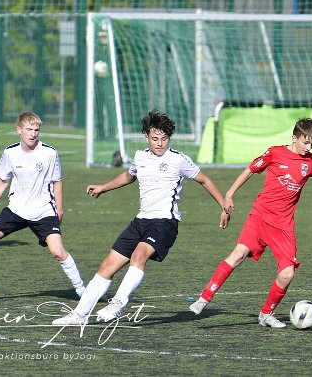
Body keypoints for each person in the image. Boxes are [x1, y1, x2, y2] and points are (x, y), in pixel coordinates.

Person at [52, 110, 229, 325]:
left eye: (164, 138)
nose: (160, 143)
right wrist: (103, 187)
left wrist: (223, 205)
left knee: (139, 255)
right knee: (107, 265)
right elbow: (129, 176)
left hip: (165, 223)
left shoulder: (179, 160)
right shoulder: (140, 156)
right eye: (155, 138)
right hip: (140, 221)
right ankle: (79, 314)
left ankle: (118, 303)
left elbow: (204, 180)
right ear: (146, 137)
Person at [189, 118, 312, 328]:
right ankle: (204, 299)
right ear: (294, 138)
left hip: (283, 226)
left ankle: (266, 314)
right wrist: (229, 194)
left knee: (287, 274)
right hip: (260, 216)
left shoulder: (310, 162)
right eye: (305, 142)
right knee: (238, 255)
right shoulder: (275, 153)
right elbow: (250, 170)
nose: (308, 147)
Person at [0, 112, 85, 303]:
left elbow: (57, 182)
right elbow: (3, 181)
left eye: (36, 130)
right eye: (29, 129)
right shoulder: (10, 153)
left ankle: (82, 290)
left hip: (43, 211)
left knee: (58, 252)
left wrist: (59, 209)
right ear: (19, 130)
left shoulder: (49, 153)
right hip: (16, 210)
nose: (33, 134)